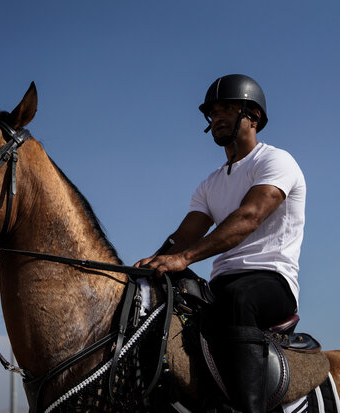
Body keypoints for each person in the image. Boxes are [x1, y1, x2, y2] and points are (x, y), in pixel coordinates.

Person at [135, 74, 306, 413]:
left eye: (227, 109)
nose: (217, 118)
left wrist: (184, 257)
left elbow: (249, 218)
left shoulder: (276, 161)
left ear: (253, 118)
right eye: (212, 113)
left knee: (237, 298)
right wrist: (153, 262)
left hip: (271, 280)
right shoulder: (209, 183)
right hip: (221, 285)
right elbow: (186, 234)